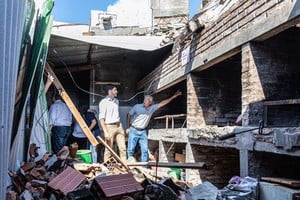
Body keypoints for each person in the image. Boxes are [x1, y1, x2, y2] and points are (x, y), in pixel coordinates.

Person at [126, 90, 182, 162]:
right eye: (145, 99)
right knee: (131, 149)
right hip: (133, 129)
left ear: (150, 102)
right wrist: (128, 127)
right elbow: (129, 114)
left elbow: (162, 103)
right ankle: (129, 165)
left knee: (145, 150)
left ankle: (144, 167)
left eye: (147, 100)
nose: (145, 101)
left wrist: (173, 97)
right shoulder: (137, 107)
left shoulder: (151, 108)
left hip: (142, 131)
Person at [99, 85, 126, 162]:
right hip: (109, 127)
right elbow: (101, 118)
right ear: (110, 91)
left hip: (119, 125)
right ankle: (107, 168)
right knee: (109, 149)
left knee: (122, 148)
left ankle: (125, 166)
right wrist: (105, 132)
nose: (116, 91)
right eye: (115, 90)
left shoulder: (116, 101)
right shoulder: (103, 102)